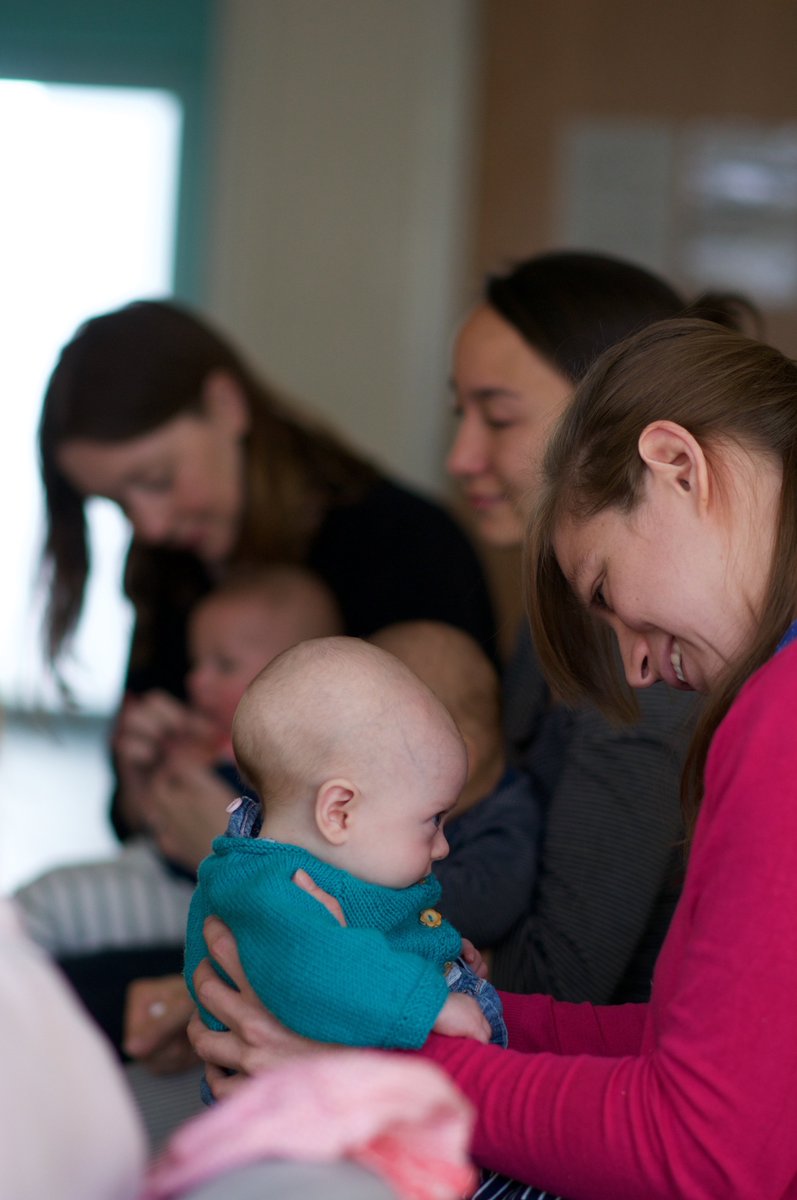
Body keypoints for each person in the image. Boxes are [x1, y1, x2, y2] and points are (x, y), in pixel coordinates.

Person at [188, 318, 797, 1197]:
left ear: (676, 467)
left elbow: (701, 1152)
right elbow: (687, 1050)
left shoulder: (779, 711)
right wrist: (464, 1014)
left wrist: (368, 1068)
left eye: (604, 592)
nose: (633, 662)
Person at [38, 298, 497, 859]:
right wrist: (145, 784)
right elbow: (128, 818)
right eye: (115, 504)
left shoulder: (405, 548)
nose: (148, 525)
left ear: (226, 405)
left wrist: (244, 845)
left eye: (156, 479)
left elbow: (455, 824)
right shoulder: (167, 566)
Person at [446, 249, 754, 1000]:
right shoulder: (551, 612)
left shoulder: (650, 663)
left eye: (498, 415)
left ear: (610, 416)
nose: (459, 456)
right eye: (459, 414)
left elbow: (561, 983)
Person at [185, 635, 502, 1057]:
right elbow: (316, 969)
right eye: (433, 820)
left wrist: (439, 961)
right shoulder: (269, 891)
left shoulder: (331, 868)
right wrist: (430, 1004)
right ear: (339, 813)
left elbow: (364, 945)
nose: (443, 846)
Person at [368, 620, 541, 950]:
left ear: (456, 756)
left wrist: (361, 875)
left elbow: (480, 909)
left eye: (376, 752)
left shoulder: (507, 823)